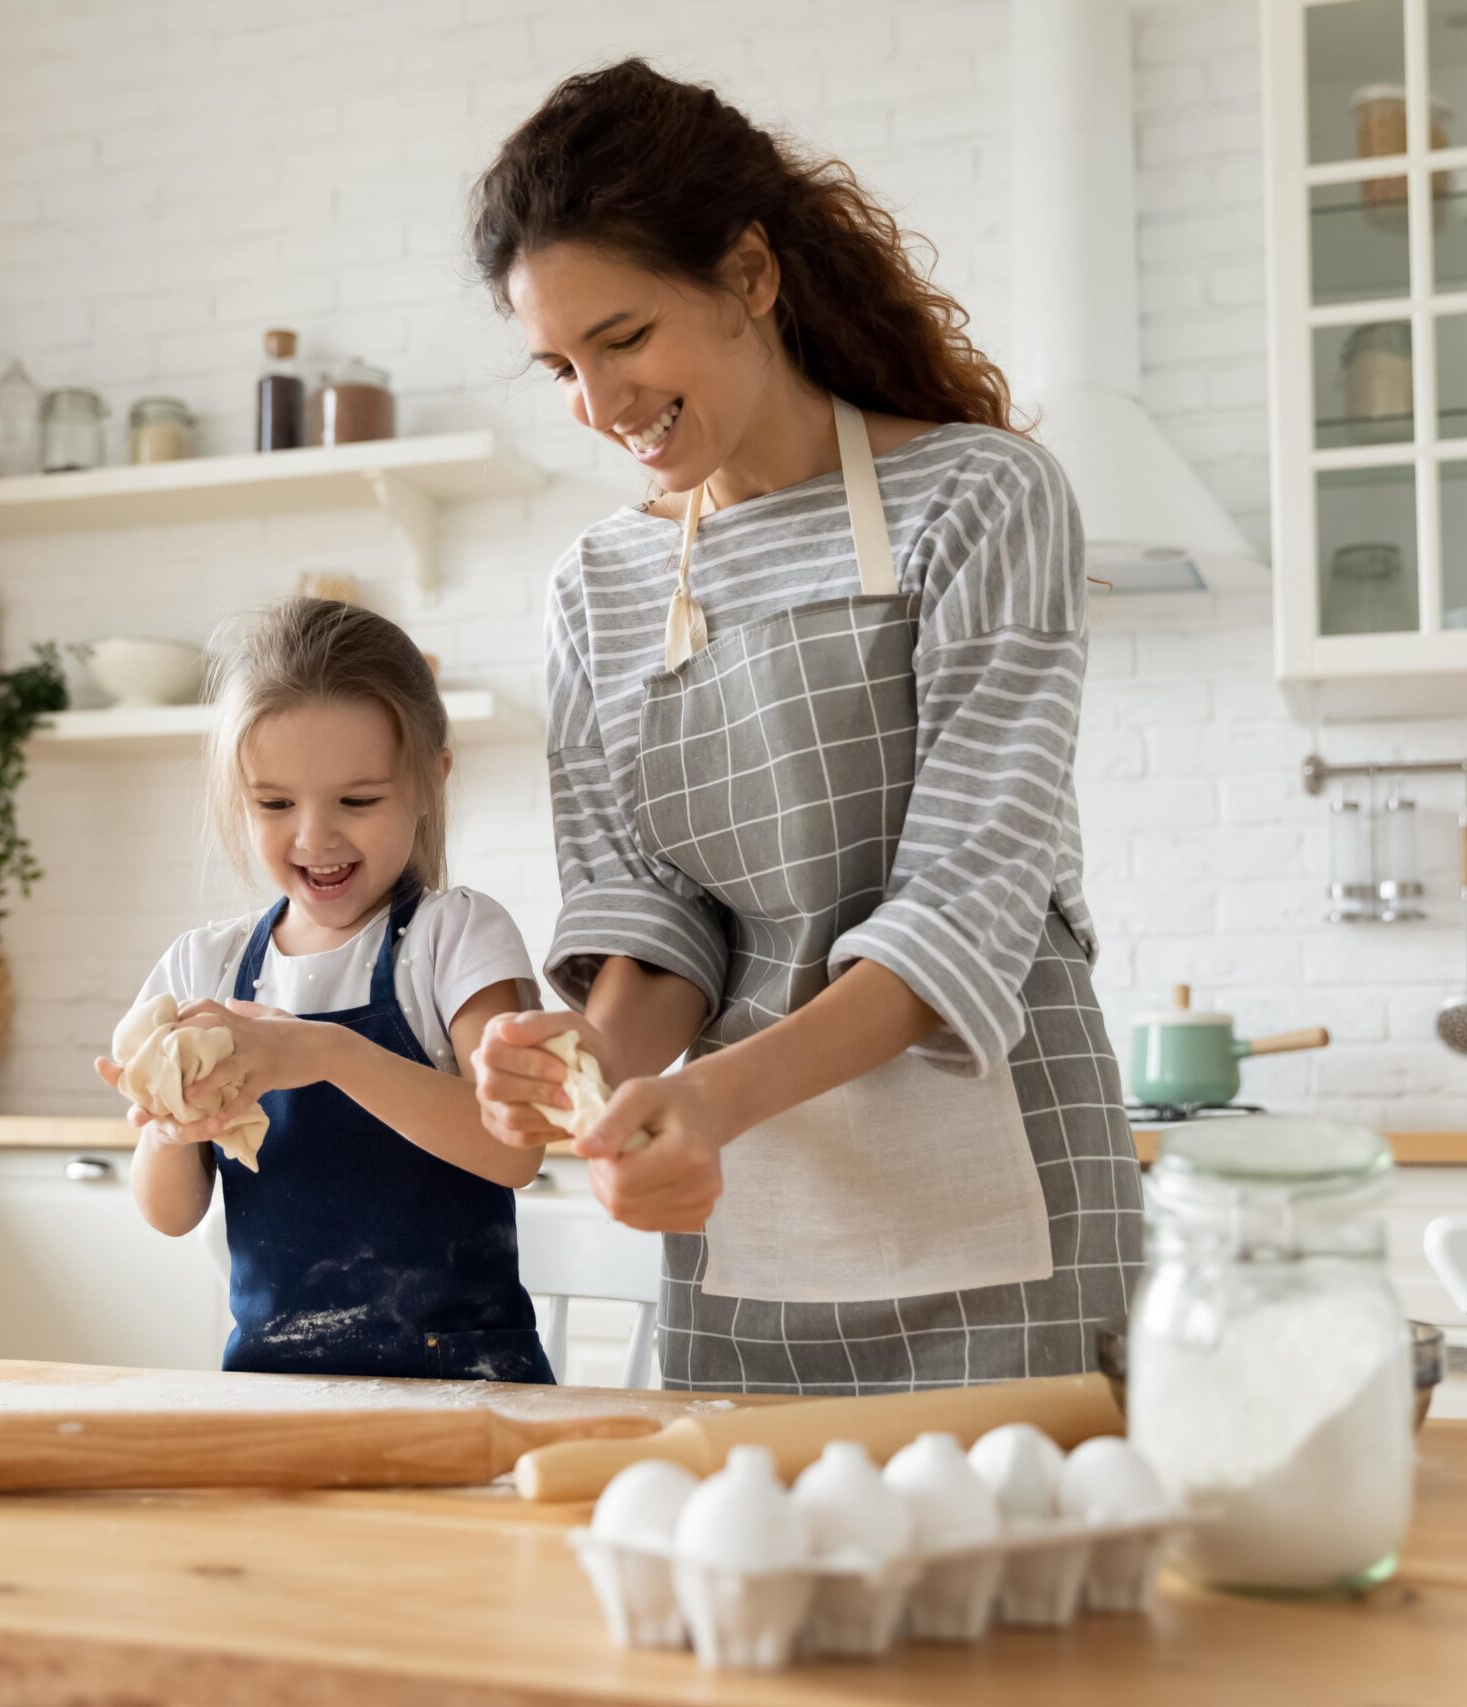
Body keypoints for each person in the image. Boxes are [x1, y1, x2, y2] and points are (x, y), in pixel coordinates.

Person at [464, 59, 1143, 1393]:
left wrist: (708, 1097)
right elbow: (659, 925)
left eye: (622, 337)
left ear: (752, 275)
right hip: (747, 1203)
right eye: (558, 363)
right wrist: (585, 1067)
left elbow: (965, 904)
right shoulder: (595, 586)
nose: (597, 407)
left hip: (1003, 1185)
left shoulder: (982, 498)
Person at [100, 597, 554, 1384]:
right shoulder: (204, 968)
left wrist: (325, 1052)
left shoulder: (454, 940)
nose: (315, 836)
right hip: (277, 1391)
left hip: (467, 1391)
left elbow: (514, 1147)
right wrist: (171, 1126)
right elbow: (169, 1214)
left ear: (428, 784)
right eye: (275, 803)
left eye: (358, 799)